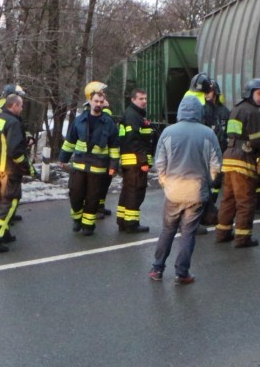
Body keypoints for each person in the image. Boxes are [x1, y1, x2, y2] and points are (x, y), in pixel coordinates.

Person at [148, 95, 222, 285]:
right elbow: (216, 165)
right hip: (196, 192)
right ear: (199, 112)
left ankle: (157, 269)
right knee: (188, 233)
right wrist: (208, 183)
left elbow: (159, 163)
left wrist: (166, 183)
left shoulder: (168, 132)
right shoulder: (208, 134)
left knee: (167, 230)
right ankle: (182, 273)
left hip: (173, 191)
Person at [60, 81, 120, 235]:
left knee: (93, 198)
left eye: (101, 102)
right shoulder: (79, 120)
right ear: (90, 102)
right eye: (96, 101)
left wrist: (114, 165)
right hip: (79, 165)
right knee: (75, 194)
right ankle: (77, 219)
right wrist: (63, 158)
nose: (98, 104)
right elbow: (70, 141)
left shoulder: (109, 123)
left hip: (98, 168)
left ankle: (88, 225)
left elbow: (114, 147)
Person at [216, 78, 260, 248]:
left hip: (229, 158)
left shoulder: (236, 109)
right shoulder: (253, 112)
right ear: (250, 93)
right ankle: (242, 238)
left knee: (228, 199)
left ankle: (222, 233)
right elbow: (259, 140)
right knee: (245, 200)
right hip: (243, 160)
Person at [0, 94, 30, 253]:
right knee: (9, 202)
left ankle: (5, 234)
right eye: (21, 106)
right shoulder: (13, 122)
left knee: (0, 201)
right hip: (9, 170)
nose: (22, 109)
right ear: (14, 106)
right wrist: (26, 167)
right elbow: (15, 150)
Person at [117, 88, 156, 233]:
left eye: (145, 98)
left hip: (131, 160)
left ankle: (122, 221)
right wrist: (143, 160)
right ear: (133, 100)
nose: (144, 101)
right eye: (141, 98)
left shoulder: (134, 114)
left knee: (127, 190)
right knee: (136, 191)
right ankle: (131, 224)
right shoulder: (133, 116)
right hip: (135, 161)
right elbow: (133, 139)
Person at [201, 80, 230, 223]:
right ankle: (205, 211)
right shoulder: (202, 110)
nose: (207, 94)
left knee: (217, 182)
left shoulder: (224, 111)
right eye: (205, 92)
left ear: (215, 92)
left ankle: (210, 208)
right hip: (207, 153)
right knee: (207, 182)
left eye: (210, 91)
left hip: (221, 152)